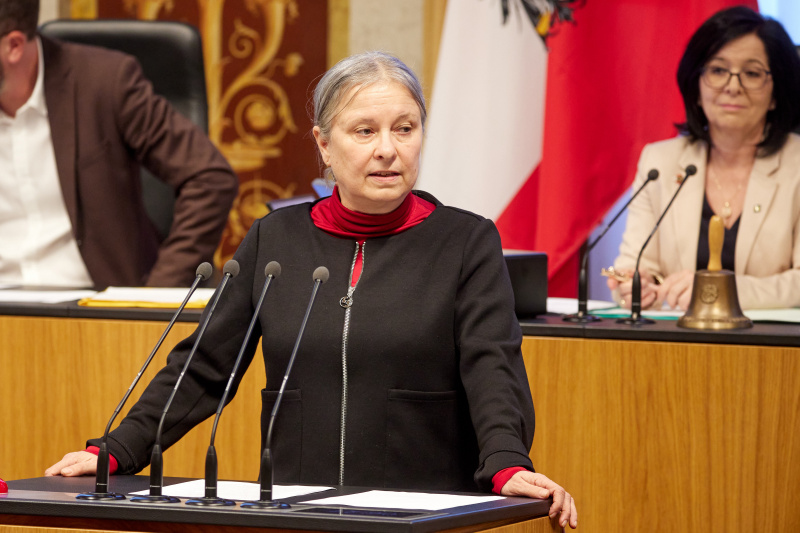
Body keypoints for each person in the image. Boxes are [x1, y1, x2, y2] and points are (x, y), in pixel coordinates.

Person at [45, 51, 578, 528]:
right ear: (324, 144)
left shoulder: (466, 241)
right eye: (364, 131)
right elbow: (205, 366)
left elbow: (493, 366)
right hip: (298, 509)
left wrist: (507, 461)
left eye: (405, 128)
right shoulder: (274, 238)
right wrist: (118, 449)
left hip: (423, 509)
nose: (388, 149)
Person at [0, 0, 238, 288]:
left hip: (92, 308)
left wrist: (154, 296)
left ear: (13, 46)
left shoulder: (104, 81)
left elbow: (210, 178)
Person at [608, 6, 800, 311]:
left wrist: (721, 290)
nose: (732, 86)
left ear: (776, 93)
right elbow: (632, 267)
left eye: (751, 73)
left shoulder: (796, 167)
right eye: (718, 70)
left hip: (776, 353)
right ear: (696, 86)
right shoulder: (659, 163)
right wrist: (636, 287)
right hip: (682, 351)